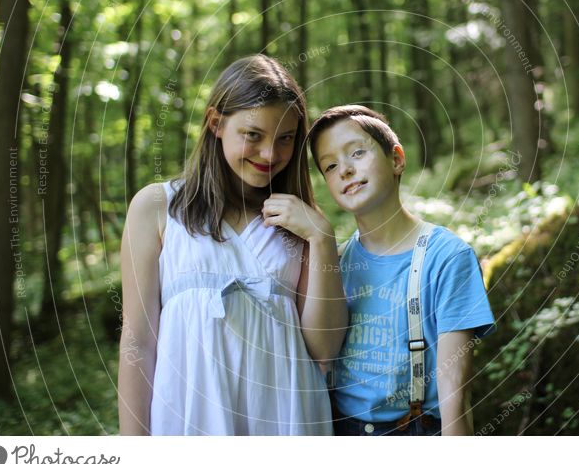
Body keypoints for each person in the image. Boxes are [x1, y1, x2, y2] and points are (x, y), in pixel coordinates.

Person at [118, 55, 347, 435]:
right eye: (253, 135)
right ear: (216, 123)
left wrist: (322, 239)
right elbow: (138, 342)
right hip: (189, 420)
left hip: (287, 420)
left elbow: (324, 350)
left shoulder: (300, 224)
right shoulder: (157, 208)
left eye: (285, 138)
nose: (270, 155)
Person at [308, 105, 495, 436]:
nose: (345, 170)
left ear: (396, 159)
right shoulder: (333, 264)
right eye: (331, 165)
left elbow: (455, 390)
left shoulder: (447, 258)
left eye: (357, 153)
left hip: (415, 427)